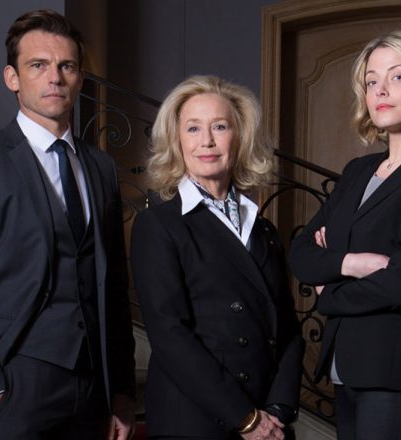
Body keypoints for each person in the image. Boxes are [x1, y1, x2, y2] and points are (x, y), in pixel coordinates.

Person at [0, 9, 135, 440]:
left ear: (80, 78)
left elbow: (113, 285)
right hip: (17, 383)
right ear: (13, 78)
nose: (55, 78)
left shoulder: (100, 166)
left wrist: (120, 390)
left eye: (67, 66)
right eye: (38, 65)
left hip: (93, 386)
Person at [288, 31, 401, 439]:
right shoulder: (357, 171)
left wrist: (328, 292)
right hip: (345, 364)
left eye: (397, 76)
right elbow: (301, 252)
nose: (380, 90)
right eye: (372, 81)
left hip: (395, 368)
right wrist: (353, 263)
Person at [130, 75, 305, 440]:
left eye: (220, 127)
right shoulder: (158, 225)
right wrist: (246, 419)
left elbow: (288, 330)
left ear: (240, 137)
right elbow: (170, 336)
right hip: (196, 423)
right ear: (177, 141)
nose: (206, 141)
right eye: (193, 128)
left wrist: (278, 409)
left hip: (268, 421)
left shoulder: (264, 230)